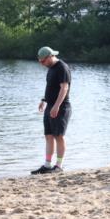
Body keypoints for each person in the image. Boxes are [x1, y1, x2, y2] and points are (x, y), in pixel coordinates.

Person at [32, 46, 71, 175]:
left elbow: (64, 88)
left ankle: (59, 166)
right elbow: (50, 87)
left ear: (50, 57)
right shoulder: (51, 69)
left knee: (58, 136)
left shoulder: (62, 67)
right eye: (39, 61)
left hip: (61, 107)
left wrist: (57, 106)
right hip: (50, 106)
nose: (41, 63)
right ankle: (47, 165)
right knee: (48, 136)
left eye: (43, 61)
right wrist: (44, 100)